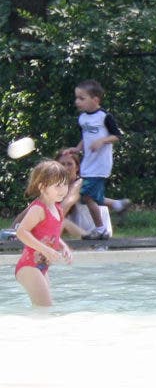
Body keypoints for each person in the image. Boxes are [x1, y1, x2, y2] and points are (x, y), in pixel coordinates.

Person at [14, 160, 74, 307]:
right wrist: (46, 250)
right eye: (57, 186)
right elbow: (21, 232)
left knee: (43, 308)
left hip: (41, 266)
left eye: (65, 184)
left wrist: (63, 246)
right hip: (29, 266)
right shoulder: (38, 209)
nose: (63, 189)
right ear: (42, 187)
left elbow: (51, 235)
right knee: (45, 308)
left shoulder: (57, 208)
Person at [73, 79, 126, 240]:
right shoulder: (82, 118)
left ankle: (101, 229)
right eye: (77, 98)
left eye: (82, 98)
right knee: (90, 196)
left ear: (95, 100)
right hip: (88, 163)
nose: (77, 102)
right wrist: (77, 149)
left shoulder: (104, 117)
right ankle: (118, 204)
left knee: (87, 196)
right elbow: (86, 137)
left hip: (100, 164)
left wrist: (102, 141)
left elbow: (117, 136)